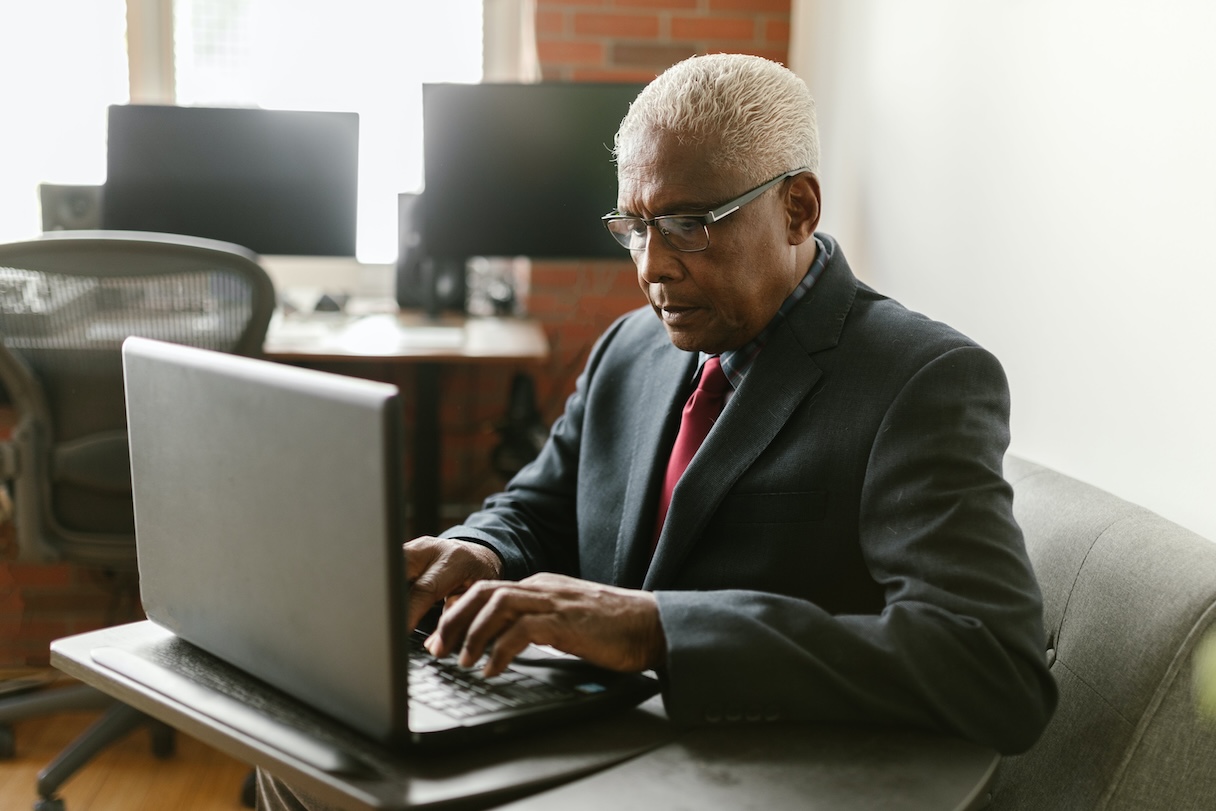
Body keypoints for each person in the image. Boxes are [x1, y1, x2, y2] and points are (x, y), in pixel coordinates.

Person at [259, 52, 1056, 810]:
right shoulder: (630, 347)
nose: (651, 268)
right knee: (298, 752)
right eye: (634, 226)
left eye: (687, 222)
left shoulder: (921, 380)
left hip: (746, 774)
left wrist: (657, 628)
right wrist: (479, 550)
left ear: (798, 207)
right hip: (585, 737)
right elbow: (540, 505)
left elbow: (991, 666)